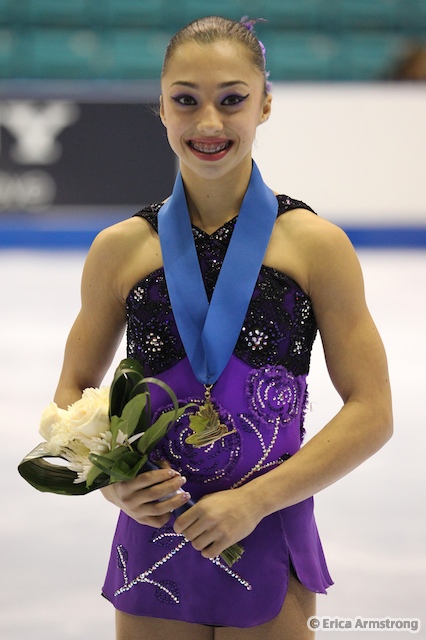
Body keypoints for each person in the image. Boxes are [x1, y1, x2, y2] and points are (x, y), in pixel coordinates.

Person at [53, 15, 393, 640]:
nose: (208, 122)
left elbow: (373, 410)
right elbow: (74, 386)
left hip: (267, 526)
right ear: (160, 108)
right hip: (156, 530)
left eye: (231, 100)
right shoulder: (120, 250)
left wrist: (257, 501)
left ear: (264, 105)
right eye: (186, 100)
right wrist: (114, 486)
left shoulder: (317, 247)